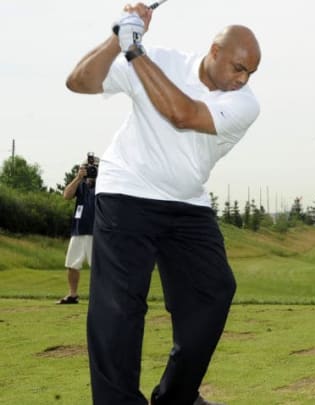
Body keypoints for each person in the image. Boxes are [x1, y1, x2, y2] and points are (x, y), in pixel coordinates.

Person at [65, 3, 261, 404]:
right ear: (214, 51)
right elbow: (78, 82)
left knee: (214, 292)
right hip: (126, 192)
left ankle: (176, 397)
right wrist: (118, 36)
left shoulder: (245, 104)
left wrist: (135, 50)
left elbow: (183, 114)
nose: (242, 79)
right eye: (238, 67)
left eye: (250, 73)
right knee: (118, 308)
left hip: (187, 202)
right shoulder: (164, 61)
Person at [57, 161, 97, 305]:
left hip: (97, 231)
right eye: (87, 168)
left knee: (99, 267)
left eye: (93, 168)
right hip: (79, 229)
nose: (90, 170)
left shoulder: (103, 184)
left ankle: (101, 296)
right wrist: (78, 177)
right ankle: (72, 295)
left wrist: (99, 176)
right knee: (72, 264)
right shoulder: (80, 184)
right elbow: (66, 195)